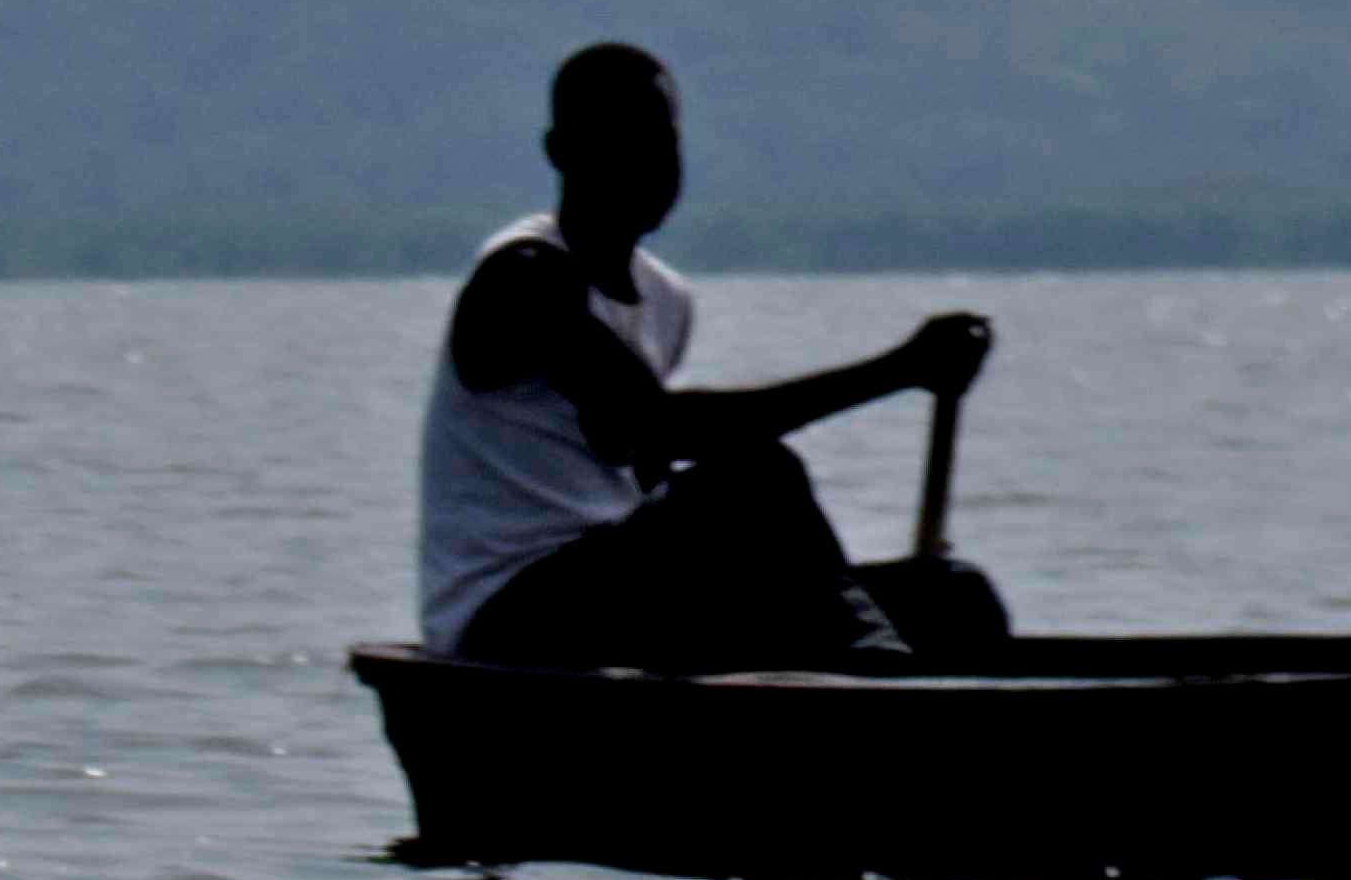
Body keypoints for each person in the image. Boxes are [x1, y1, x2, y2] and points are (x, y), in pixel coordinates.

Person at [415, 42, 992, 668]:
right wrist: (897, 370)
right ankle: (878, 677)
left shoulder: (665, 298)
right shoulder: (524, 279)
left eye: (661, 141)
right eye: (620, 140)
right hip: (514, 614)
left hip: (624, 589)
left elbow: (645, 463)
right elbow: (662, 425)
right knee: (756, 479)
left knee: (952, 598)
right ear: (561, 153)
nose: (648, 163)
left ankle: (884, 675)